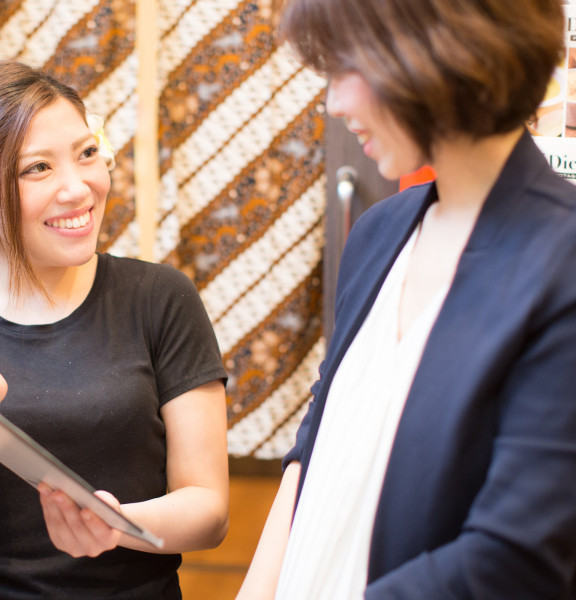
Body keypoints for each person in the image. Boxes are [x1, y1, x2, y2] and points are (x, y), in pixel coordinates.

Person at [237, 0, 576, 598]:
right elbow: (315, 444)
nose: (334, 103)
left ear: (434, 51)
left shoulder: (559, 258)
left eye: (348, 69)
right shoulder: (379, 232)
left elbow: (516, 556)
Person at [0, 60, 229, 599]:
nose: (78, 188)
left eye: (87, 153)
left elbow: (209, 510)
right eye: (38, 168)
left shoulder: (161, 299)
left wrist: (113, 523)